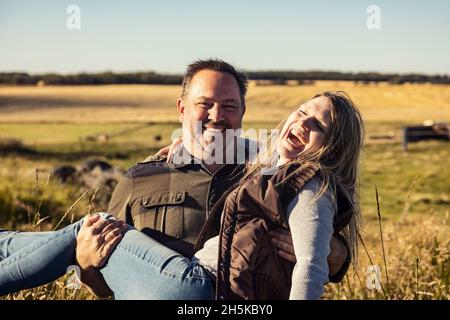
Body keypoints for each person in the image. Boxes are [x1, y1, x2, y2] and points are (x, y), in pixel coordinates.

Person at [0, 60, 353, 299]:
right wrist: (88, 267)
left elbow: (316, 238)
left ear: (243, 114)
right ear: (182, 109)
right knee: (89, 232)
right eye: (205, 104)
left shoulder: (266, 170)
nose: (217, 116)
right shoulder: (141, 179)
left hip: (209, 293)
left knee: (84, 228)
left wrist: (335, 252)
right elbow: (108, 280)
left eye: (229, 106)